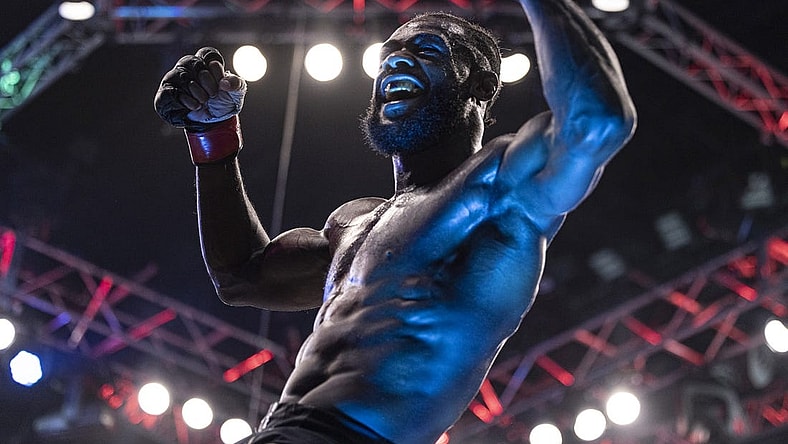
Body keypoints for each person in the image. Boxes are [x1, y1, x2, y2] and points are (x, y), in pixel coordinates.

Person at [154, 1, 636, 442]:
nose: (396, 61)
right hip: (279, 429)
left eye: (427, 50)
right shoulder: (354, 222)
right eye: (388, 54)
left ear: (483, 85)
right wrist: (212, 136)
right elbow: (240, 276)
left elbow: (597, 122)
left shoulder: (496, 189)